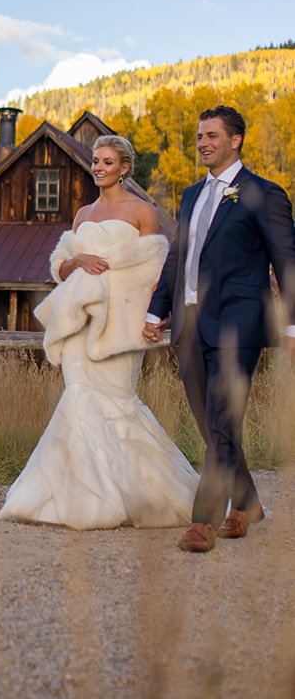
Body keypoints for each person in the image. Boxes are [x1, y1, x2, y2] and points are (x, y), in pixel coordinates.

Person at [0, 135, 198, 529]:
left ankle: (141, 494)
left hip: (121, 325)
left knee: (118, 402)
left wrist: (152, 318)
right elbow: (60, 268)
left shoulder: (143, 213)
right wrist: (77, 262)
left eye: (108, 162)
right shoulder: (82, 215)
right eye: (95, 161)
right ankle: (82, 502)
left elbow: (153, 275)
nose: (99, 167)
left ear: (124, 168)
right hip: (80, 322)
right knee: (78, 399)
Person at [144, 105, 295, 552]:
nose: (203, 143)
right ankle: (248, 502)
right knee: (213, 425)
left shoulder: (264, 194)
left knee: (224, 417)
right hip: (189, 325)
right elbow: (179, 258)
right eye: (198, 137)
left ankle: (203, 521)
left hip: (238, 324)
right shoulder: (190, 195)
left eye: (212, 136)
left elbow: (287, 262)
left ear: (236, 141)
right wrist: (157, 311)